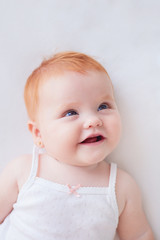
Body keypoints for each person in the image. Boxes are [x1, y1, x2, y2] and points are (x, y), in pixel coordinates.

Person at [0, 51, 154, 240]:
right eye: (70, 112)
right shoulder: (24, 171)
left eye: (103, 106)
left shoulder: (121, 186)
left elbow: (139, 235)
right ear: (38, 133)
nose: (93, 120)